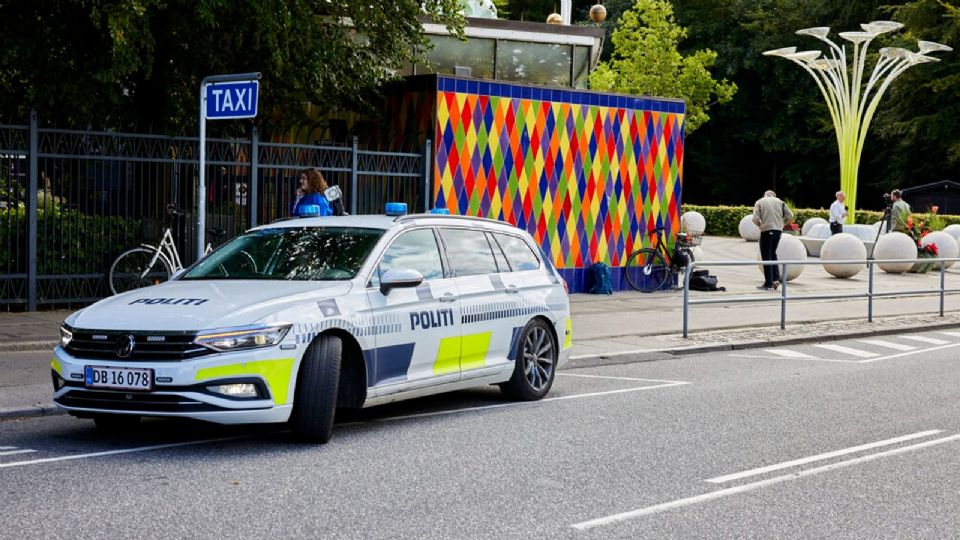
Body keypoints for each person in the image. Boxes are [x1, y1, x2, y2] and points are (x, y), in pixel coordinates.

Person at [752, 190, 794, 290]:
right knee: (773, 254)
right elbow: (791, 216)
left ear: (765, 195)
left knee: (766, 256)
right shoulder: (780, 202)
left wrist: (760, 225)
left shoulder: (760, 202)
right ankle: (775, 279)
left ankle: (768, 284)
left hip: (766, 230)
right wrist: (782, 224)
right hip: (778, 231)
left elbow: (755, 219)